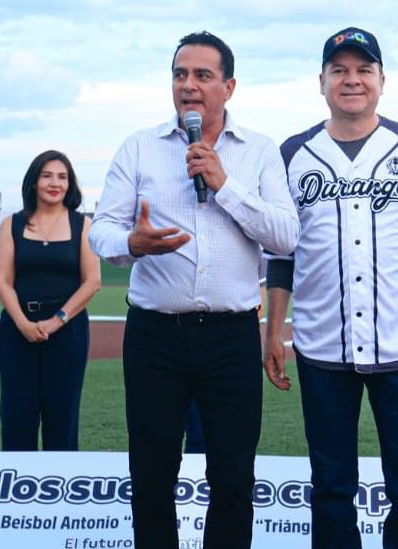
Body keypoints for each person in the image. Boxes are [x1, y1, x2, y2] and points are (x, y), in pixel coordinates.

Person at [87, 31, 299, 548]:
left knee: (232, 480)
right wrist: (133, 243)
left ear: (229, 86)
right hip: (155, 337)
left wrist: (225, 185)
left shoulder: (260, 152)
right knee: (152, 477)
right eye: (180, 74)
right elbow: (101, 230)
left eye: (203, 75)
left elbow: (286, 236)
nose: (189, 86)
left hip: (231, 339)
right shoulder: (139, 147)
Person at [265, 27, 398, 547]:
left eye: (363, 70)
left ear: (382, 80)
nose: (352, 80)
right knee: (330, 484)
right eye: (340, 70)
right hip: (323, 343)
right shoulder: (293, 153)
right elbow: (282, 254)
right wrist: (273, 330)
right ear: (321, 81)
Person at [0, 150, 101, 451]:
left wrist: (57, 321)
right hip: (18, 331)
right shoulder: (10, 225)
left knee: (62, 418)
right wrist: (23, 323)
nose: (55, 183)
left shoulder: (83, 225)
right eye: (47, 175)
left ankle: (61, 491)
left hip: (68, 332)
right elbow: (2, 280)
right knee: (17, 417)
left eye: (63, 177)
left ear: (70, 184)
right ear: (34, 181)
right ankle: (16, 489)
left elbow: (93, 281)